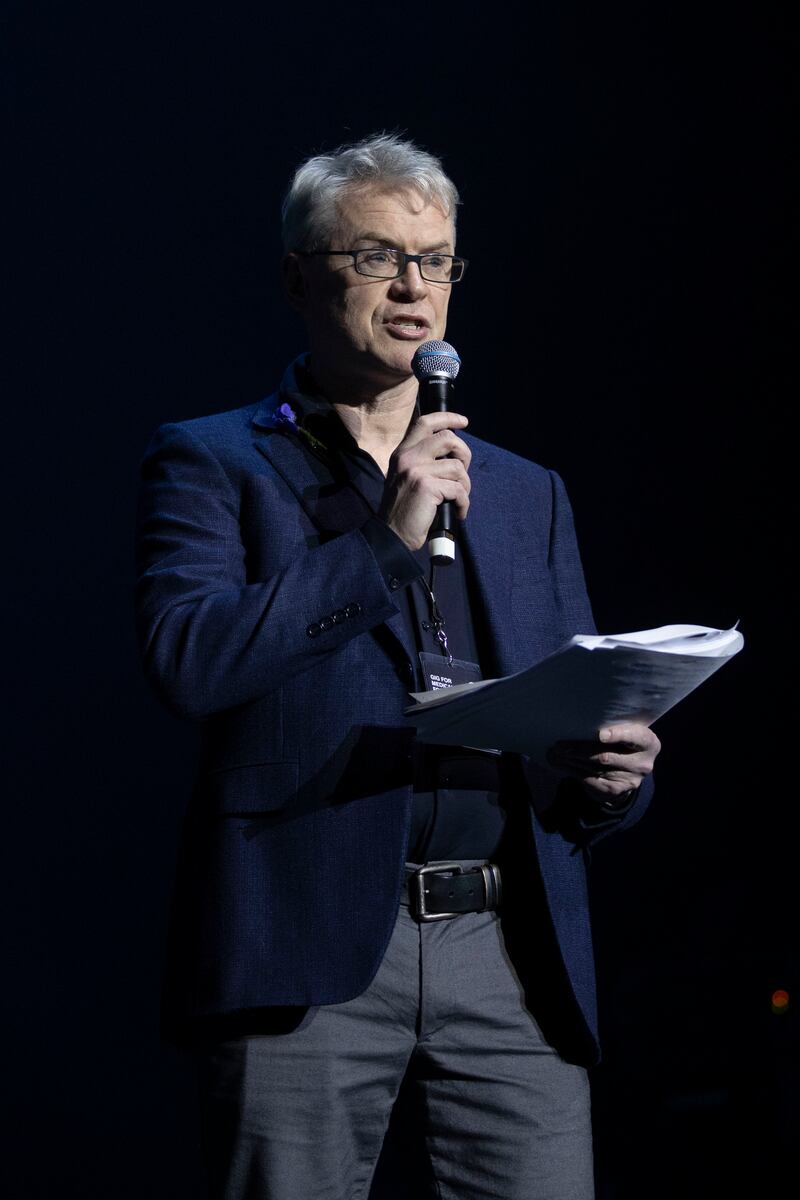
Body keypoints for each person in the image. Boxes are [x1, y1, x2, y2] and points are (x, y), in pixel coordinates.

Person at [135, 132, 660, 1200]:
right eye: (376, 257)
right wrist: (379, 540)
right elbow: (188, 662)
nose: (414, 288)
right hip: (308, 949)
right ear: (298, 276)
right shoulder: (212, 460)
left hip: (508, 951)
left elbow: (571, 700)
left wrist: (610, 782)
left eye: (437, 260)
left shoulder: (522, 490)